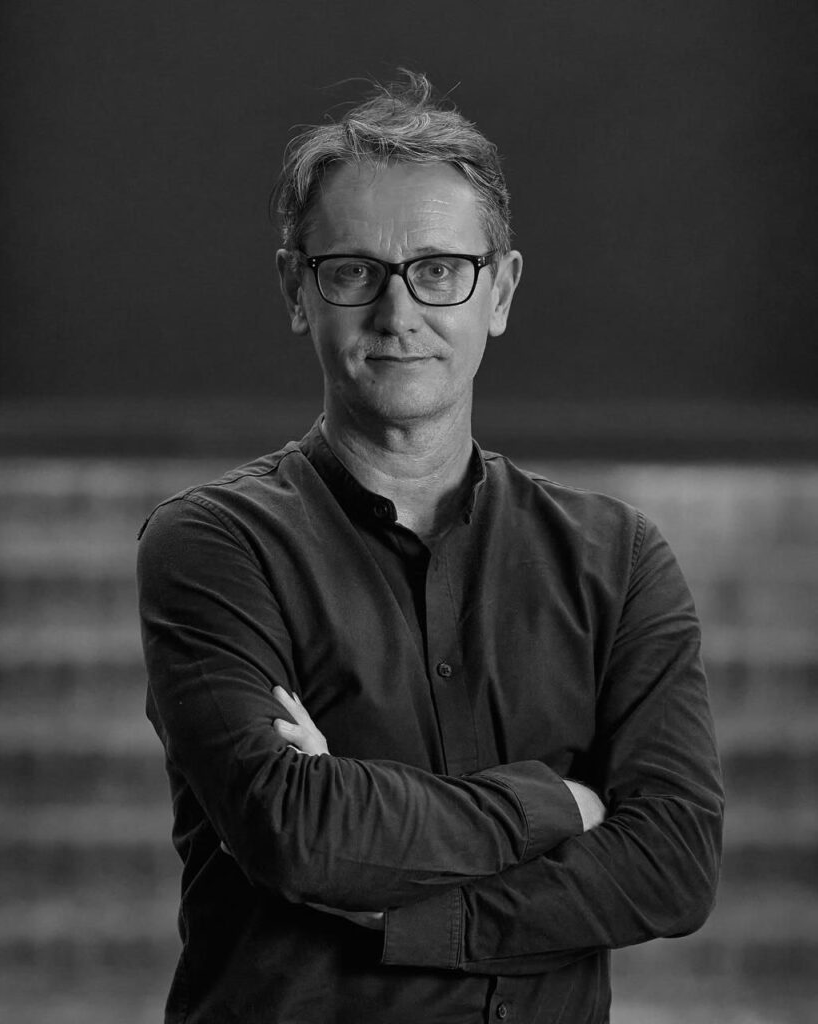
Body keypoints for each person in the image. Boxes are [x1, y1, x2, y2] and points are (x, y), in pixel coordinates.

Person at [137, 71, 723, 1024]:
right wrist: (563, 806)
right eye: (353, 271)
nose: (397, 312)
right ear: (297, 289)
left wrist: (410, 913)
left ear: (500, 291)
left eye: (439, 270)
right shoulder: (214, 543)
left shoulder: (617, 560)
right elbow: (298, 832)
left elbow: (671, 863)